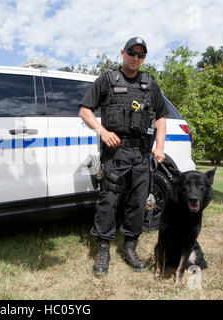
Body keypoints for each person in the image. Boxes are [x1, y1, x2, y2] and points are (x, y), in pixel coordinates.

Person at [79, 37, 168, 276]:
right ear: (123, 53)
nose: (136, 58)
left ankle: (130, 247)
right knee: (108, 199)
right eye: (132, 53)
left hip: (141, 153)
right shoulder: (107, 80)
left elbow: (161, 117)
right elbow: (84, 110)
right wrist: (103, 131)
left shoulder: (150, 84)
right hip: (115, 152)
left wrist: (159, 147)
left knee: (138, 201)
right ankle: (103, 249)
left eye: (141, 55)